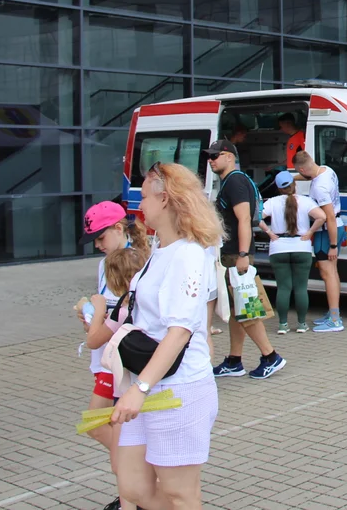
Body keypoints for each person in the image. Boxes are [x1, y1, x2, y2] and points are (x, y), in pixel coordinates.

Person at [113, 162, 223, 510]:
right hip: (148, 384)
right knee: (132, 486)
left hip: (179, 390)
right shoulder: (161, 250)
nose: (139, 205)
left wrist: (139, 389)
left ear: (166, 199)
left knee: (180, 493)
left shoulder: (188, 255)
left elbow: (178, 333)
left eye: (144, 197)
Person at [77, 202, 151, 510]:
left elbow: (118, 319)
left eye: (100, 237)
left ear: (118, 229)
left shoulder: (141, 262)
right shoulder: (108, 261)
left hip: (120, 362)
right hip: (108, 358)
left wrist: (94, 317)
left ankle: (135, 489)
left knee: (101, 426)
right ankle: (132, 488)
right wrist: (91, 313)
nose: (97, 245)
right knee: (109, 430)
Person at [206, 140, 285, 379]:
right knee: (237, 310)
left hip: (236, 256)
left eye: (215, 156)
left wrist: (242, 254)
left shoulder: (236, 182)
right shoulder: (233, 181)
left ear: (229, 156)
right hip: (232, 254)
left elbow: (243, 219)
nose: (210, 160)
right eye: (209, 156)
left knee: (248, 309)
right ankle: (234, 360)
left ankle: (271, 356)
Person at [260, 171, 325, 334]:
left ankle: (283, 325)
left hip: (278, 247)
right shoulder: (306, 201)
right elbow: (322, 217)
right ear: (294, 185)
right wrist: (309, 233)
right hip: (301, 247)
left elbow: (255, 217)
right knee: (301, 288)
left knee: (283, 288)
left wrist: (269, 232)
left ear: (278, 188)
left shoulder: (272, 202)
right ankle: (302, 324)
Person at [294, 150, 347, 330]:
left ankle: (334, 320)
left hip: (328, 231)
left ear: (303, 168)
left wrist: (333, 245)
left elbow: (329, 217)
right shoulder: (326, 170)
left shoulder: (320, 187)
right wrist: (293, 178)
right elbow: (308, 176)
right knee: (332, 272)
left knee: (328, 273)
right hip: (336, 227)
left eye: (298, 171)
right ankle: (334, 312)